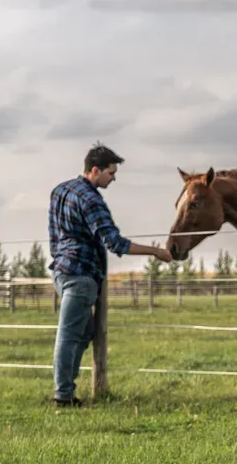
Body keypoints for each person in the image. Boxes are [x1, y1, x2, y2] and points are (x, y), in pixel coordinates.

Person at [47, 142, 170, 406]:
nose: (113, 178)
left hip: (60, 271)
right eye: (111, 173)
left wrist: (59, 261)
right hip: (81, 275)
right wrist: (155, 252)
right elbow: (115, 243)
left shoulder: (59, 191)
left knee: (85, 331)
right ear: (95, 170)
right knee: (69, 334)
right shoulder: (92, 200)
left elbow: (53, 236)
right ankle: (63, 395)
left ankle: (67, 387)